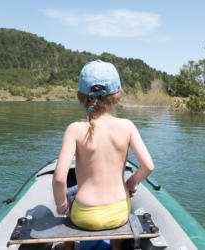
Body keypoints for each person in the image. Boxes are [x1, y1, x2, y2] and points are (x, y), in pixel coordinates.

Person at [52, 60, 155, 250]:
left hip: (84, 216)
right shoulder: (127, 126)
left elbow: (59, 179)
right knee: (116, 194)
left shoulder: (74, 129)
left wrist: (62, 208)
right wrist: (130, 183)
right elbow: (148, 166)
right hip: (118, 214)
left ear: (81, 97)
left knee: (69, 195)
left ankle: (67, 247)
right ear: (116, 97)